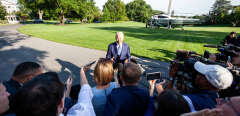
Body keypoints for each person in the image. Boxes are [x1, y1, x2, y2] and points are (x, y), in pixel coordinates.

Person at [168, 61, 233, 111]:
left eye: (200, 74)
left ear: (207, 82)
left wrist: (171, 79)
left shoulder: (195, 100)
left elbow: (165, 103)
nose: (197, 76)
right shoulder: (216, 98)